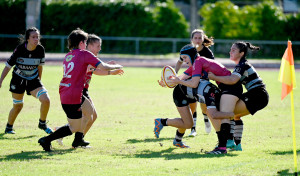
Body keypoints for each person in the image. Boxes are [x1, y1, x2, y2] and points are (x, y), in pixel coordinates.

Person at [38, 28, 123, 152]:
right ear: (82, 43)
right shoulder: (84, 54)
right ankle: (46, 140)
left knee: (90, 113)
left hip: (69, 91)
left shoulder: (69, 55)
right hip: (73, 93)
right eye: (86, 41)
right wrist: (117, 66)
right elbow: (102, 67)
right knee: (74, 127)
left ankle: (78, 139)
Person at [155, 44, 240, 151]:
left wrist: (178, 81)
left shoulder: (198, 62)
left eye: (185, 57)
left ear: (191, 55)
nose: (184, 60)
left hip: (230, 88)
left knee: (217, 114)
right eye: (182, 58)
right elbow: (180, 77)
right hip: (227, 88)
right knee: (216, 114)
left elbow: (193, 83)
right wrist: (167, 82)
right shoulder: (197, 63)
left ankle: (225, 143)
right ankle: (227, 142)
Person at [208, 41, 269, 151]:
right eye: (231, 49)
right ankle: (238, 145)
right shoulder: (241, 65)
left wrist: (214, 77)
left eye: (233, 50)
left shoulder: (242, 65)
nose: (230, 52)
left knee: (227, 112)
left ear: (241, 53)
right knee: (235, 116)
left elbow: (232, 80)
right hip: (259, 95)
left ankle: (229, 141)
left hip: (257, 95)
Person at [0, 27, 53, 134]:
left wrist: (39, 81)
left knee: (46, 99)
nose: (36, 39)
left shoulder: (40, 49)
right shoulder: (19, 49)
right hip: (18, 80)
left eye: (37, 37)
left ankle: (42, 123)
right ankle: (9, 127)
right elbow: (8, 66)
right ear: (27, 39)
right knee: (18, 106)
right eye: (33, 37)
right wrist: (0, 80)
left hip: (33, 79)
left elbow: (40, 67)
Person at [175, 29, 215, 137]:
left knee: (204, 106)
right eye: (195, 38)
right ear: (192, 39)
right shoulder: (188, 49)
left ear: (203, 39)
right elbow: (179, 61)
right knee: (192, 104)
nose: (197, 40)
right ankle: (193, 129)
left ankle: (206, 118)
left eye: (199, 38)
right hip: (191, 77)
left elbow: (210, 68)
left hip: (203, 80)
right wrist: (175, 73)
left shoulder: (207, 52)